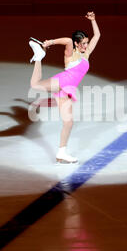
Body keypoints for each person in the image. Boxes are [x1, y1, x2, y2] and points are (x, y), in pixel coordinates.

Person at [28, 11, 101, 164]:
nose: (86, 45)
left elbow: (97, 36)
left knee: (68, 122)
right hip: (62, 81)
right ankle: (39, 56)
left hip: (67, 89)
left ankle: (62, 153)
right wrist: (50, 42)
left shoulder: (86, 53)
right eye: (83, 43)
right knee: (35, 85)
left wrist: (93, 20)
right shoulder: (70, 53)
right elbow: (67, 40)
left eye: (87, 43)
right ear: (76, 44)